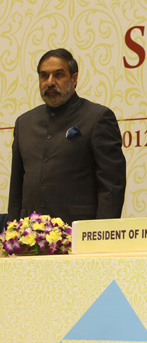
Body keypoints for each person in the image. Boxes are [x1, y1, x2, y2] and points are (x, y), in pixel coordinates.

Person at [8, 48, 126, 224]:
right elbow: (16, 187)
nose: (50, 82)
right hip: (30, 236)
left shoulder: (97, 118)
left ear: (74, 78)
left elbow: (111, 186)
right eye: (44, 76)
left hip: (78, 233)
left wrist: (101, 235)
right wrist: (13, 230)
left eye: (58, 75)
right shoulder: (24, 123)